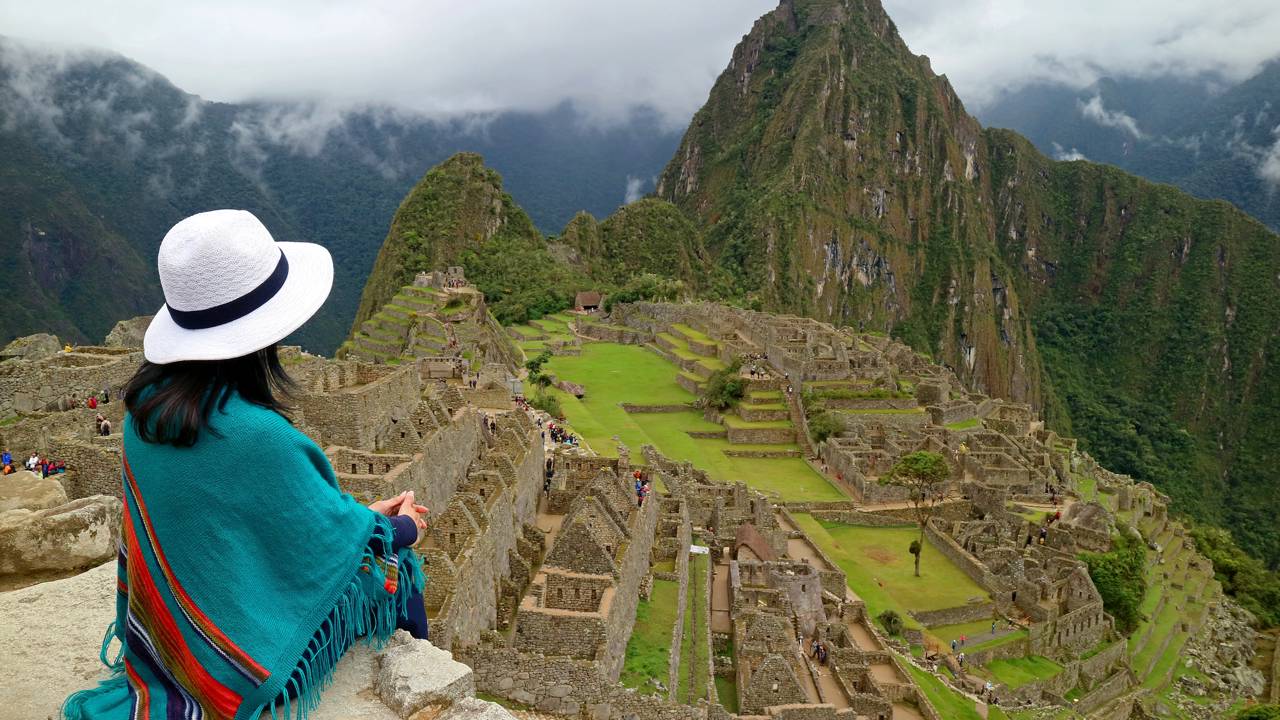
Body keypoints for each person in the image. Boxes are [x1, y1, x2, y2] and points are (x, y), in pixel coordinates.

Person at [62, 210, 429, 720]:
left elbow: (273, 525)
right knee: (397, 571)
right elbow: (321, 543)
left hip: (169, 648)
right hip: (238, 668)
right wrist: (400, 529)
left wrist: (366, 519)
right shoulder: (260, 436)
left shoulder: (143, 412)